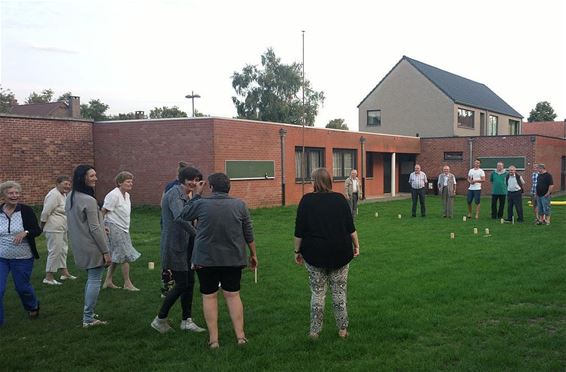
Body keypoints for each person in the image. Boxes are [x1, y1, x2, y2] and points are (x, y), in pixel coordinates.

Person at [178, 172, 258, 349]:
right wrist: (253, 254)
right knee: (233, 295)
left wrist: (197, 194)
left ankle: (214, 340)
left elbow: (183, 214)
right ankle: (241, 337)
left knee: (209, 296)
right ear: (228, 187)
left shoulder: (200, 203)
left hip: (205, 259)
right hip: (233, 259)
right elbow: (248, 232)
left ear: (211, 187)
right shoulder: (240, 205)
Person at [294, 168, 360, 340]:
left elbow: (299, 230)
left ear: (315, 182)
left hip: (314, 254)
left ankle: (314, 332)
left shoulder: (306, 201)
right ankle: (343, 330)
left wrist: (297, 251)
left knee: (317, 293)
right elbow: (350, 228)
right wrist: (357, 246)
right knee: (339, 293)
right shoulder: (340, 199)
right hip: (340, 253)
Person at [151, 166, 205, 334]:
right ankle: (160, 319)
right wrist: (197, 235)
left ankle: (187, 320)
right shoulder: (174, 193)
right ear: (182, 179)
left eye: (197, 180)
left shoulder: (186, 194)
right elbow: (181, 217)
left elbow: (192, 213)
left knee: (190, 283)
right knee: (182, 283)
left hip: (187, 244)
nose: (194, 183)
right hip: (176, 246)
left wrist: (196, 197)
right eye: (191, 180)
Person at [65, 165, 111, 327]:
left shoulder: (70, 196)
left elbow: (82, 222)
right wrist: (105, 251)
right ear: (82, 178)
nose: (95, 178)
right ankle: (88, 318)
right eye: (92, 176)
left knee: (91, 279)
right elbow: (94, 228)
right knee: (94, 280)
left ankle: (89, 313)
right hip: (93, 246)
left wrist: (100, 224)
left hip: (79, 244)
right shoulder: (89, 200)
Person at [0, 181, 41, 326]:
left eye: (17, 193)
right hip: (1, 258)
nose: (14, 195)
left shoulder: (25, 210)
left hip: (22, 257)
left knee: (22, 287)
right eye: (11, 193)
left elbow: (37, 230)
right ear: (3, 195)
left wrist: (26, 232)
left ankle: (32, 305)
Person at [101, 171, 141, 291]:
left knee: (116, 255)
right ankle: (127, 283)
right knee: (124, 255)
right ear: (120, 182)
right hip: (114, 227)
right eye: (128, 181)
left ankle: (108, 281)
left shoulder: (127, 195)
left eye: (131, 181)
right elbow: (103, 211)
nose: (131, 183)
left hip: (123, 228)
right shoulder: (113, 195)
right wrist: (102, 226)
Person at [40, 175, 76, 285]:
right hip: (53, 228)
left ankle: (64, 273)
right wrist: (41, 225)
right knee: (55, 251)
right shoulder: (53, 195)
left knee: (63, 250)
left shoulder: (63, 195)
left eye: (69, 184)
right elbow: (46, 212)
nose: (67, 186)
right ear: (57, 183)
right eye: (65, 184)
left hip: (62, 228)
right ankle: (48, 277)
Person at [160, 161, 188, 298]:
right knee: (173, 255)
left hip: (169, 224)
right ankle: (169, 287)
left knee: (171, 256)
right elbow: (181, 214)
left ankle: (171, 285)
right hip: (174, 226)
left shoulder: (169, 186)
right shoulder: (175, 189)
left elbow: (161, 203)